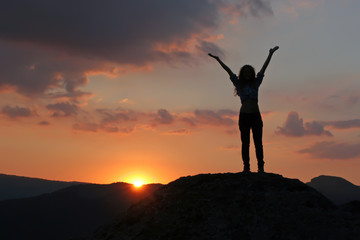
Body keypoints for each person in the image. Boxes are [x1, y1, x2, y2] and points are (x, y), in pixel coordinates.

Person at [208, 46, 279, 173]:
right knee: (245, 143)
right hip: (244, 116)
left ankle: (261, 168)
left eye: (249, 72)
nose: (247, 73)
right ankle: (246, 168)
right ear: (242, 73)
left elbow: (264, 68)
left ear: (251, 73)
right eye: (245, 72)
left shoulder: (256, 83)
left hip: (256, 116)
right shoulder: (238, 84)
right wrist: (218, 60)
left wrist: (270, 54)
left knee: (258, 143)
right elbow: (228, 71)